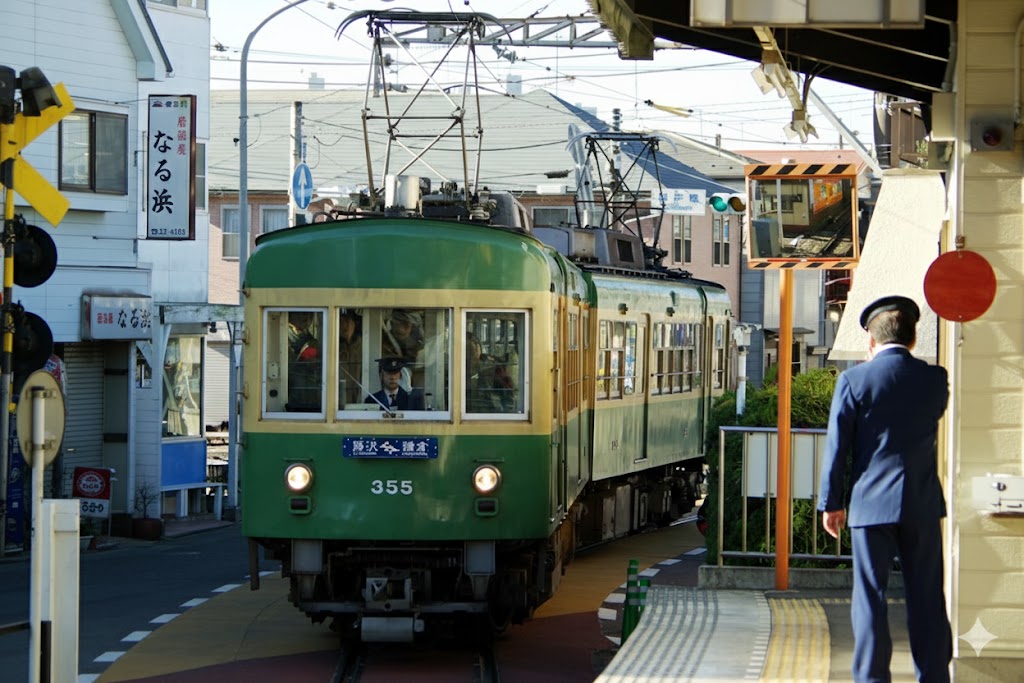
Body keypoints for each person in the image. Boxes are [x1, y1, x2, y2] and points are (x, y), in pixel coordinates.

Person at [818, 295, 951, 683]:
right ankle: (934, 676)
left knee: (870, 597)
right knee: (926, 594)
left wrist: (832, 503)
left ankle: (873, 677)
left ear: (871, 341)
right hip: (922, 503)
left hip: (869, 505)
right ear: (912, 339)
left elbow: (837, 447)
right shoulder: (935, 379)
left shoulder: (853, 381)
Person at [338, 309, 362, 405]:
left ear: (355, 324)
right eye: (340, 321)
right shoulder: (331, 348)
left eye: (347, 321)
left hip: (360, 403)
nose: (344, 325)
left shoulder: (364, 346)